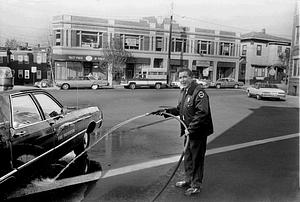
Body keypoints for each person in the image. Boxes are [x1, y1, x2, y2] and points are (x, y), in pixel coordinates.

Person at [156, 68, 213, 195]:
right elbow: (179, 109)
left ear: (191, 77)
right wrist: (165, 111)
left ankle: (196, 185)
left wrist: (191, 129)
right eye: (180, 77)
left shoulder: (199, 92)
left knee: (196, 159)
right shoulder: (184, 91)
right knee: (188, 157)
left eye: (185, 77)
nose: (182, 79)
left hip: (197, 132)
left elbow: (202, 113)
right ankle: (188, 180)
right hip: (188, 132)